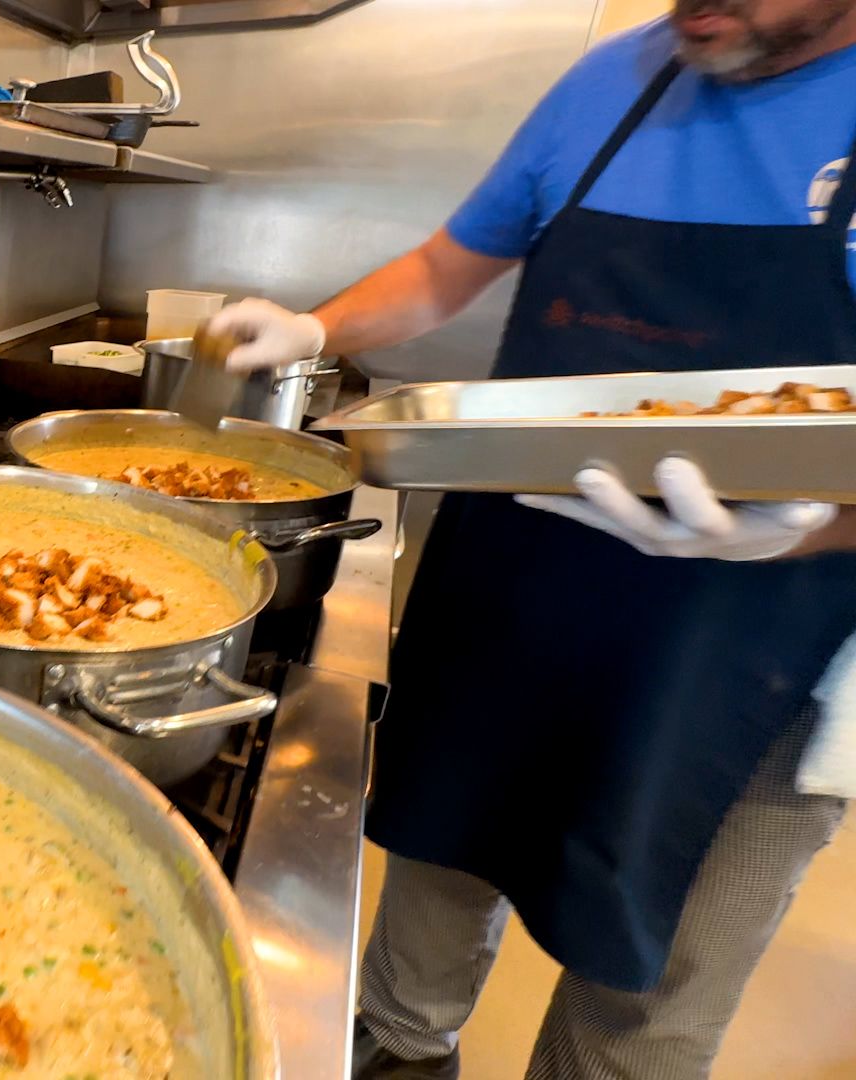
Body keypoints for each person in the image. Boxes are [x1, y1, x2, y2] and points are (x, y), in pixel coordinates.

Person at [205, 1, 856, 1076]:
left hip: (750, 662)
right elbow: (443, 270)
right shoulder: (612, 82)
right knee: (431, 895)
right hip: (514, 596)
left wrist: (805, 530)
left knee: (638, 1005)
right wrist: (315, 328)